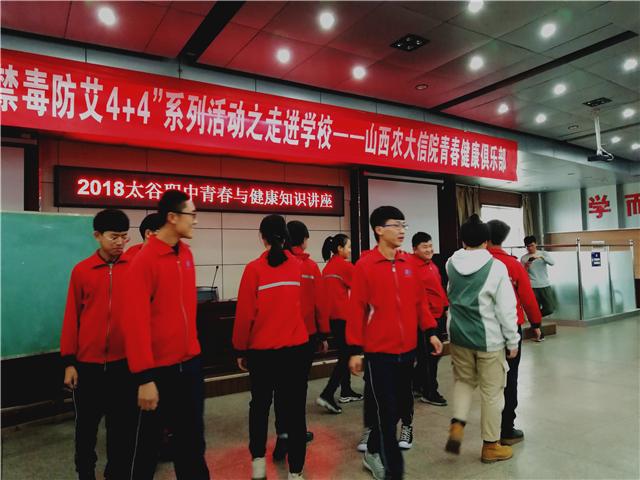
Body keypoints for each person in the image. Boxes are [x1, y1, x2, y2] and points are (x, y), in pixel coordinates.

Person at [348, 206, 442, 480]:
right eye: (396, 225)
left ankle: (373, 450)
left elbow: (420, 303)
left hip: (407, 350)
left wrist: (431, 331)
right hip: (379, 352)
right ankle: (394, 471)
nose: (402, 231)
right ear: (379, 230)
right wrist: (355, 349)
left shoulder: (408, 264)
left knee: (399, 408)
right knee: (387, 412)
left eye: (404, 225)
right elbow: (356, 310)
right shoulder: (365, 265)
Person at [124, 190, 210, 480]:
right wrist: (144, 378)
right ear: (172, 217)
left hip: (190, 366)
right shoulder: (144, 260)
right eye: (191, 215)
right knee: (147, 448)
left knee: (192, 443)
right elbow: (134, 322)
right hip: (157, 371)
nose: (195, 221)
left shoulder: (186, 254)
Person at [60, 209, 138, 480]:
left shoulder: (134, 268)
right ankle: (85, 472)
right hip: (88, 364)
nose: (119, 242)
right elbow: (72, 317)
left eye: (124, 237)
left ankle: (117, 473)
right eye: (113, 237)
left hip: (124, 364)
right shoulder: (82, 271)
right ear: (98, 236)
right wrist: (69, 362)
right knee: (86, 426)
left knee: (122, 427)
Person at [233, 214, 310, 480]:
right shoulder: (297, 267)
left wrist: (240, 349)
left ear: (262, 237)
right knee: (295, 412)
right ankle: (296, 472)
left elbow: (245, 315)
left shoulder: (253, 269)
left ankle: (258, 464)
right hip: (295, 350)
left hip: (262, 353)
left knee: (260, 407)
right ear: (286, 237)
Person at [444, 214, 519, 464]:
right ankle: (490, 445)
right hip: (489, 339)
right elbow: (506, 309)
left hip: (458, 335)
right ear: (487, 241)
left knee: (464, 382)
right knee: (492, 393)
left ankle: (457, 425)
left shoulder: (450, 263)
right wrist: (512, 341)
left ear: (463, 240)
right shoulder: (496, 267)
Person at [271, 221, 330, 461]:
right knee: (299, 386)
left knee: (280, 387)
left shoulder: (275, 263)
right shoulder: (310, 266)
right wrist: (324, 334)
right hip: (305, 336)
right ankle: (298, 432)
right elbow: (320, 303)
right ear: (304, 240)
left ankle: (282, 436)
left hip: (278, 337)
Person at [487, 220, 542, 446]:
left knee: (488, 380)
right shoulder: (513, 264)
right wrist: (536, 324)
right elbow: (528, 298)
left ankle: (489, 431)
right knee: (510, 377)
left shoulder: (478, 262)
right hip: (510, 328)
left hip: (484, 328)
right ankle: (506, 429)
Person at [317, 233, 362, 414]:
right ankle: (328, 393)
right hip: (344, 318)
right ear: (339, 248)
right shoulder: (345, 266)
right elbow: (360, 285)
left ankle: (346, 391)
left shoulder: (327, 268)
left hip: (332, 319)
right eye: (348, 247)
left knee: (343, 354)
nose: (350, 250)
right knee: (346, 357)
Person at [410, 232, 450, 407]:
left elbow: (438, 289)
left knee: (433, 355)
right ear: (415, 249)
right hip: (425, 319)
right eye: (424, 247)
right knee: (428, 357)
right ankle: (429, 391)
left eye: (430, 245)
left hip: (437, 315)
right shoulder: (412, 266)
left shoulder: (431, 265)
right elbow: (418, 297)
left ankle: (415, 383)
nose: (429, 249)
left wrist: (446, 307)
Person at [521, 235, 555, 341]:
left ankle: (534, 317)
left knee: (549, 308)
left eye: (531, 245)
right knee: (535, 308)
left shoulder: (543, 253)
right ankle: (539, 334)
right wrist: (526, 266)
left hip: (545, 284)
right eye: (527, 246)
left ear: (536, 244)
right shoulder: (524, 258)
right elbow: (522, 274)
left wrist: (541, 257)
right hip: (532, 286)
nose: (529, 248)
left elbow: (552, 263)